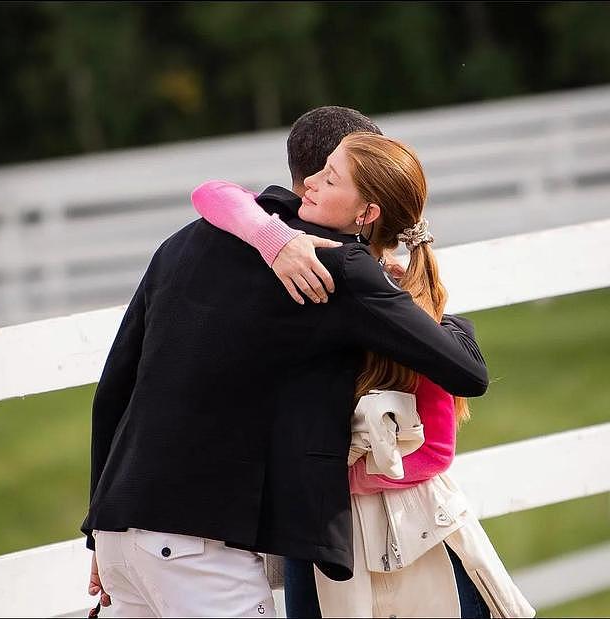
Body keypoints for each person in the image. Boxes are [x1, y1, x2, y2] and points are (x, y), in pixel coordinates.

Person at [83, 106, 488, 618]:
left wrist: (99, 530)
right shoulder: (339, 265)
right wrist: (431, 308)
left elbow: (112, 393)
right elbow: (467, 372)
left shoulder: (187, 239)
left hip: (121, 531)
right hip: (201, 549)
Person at [190, 130, 530, 617]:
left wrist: (335, 468)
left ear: (366, 213)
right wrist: (275, 241)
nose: (310, 182)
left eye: (330, 177)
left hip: (406, 529)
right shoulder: (300, 252)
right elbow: (212, 192)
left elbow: (437, 445)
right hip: (324, 534)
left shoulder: (387, 296)